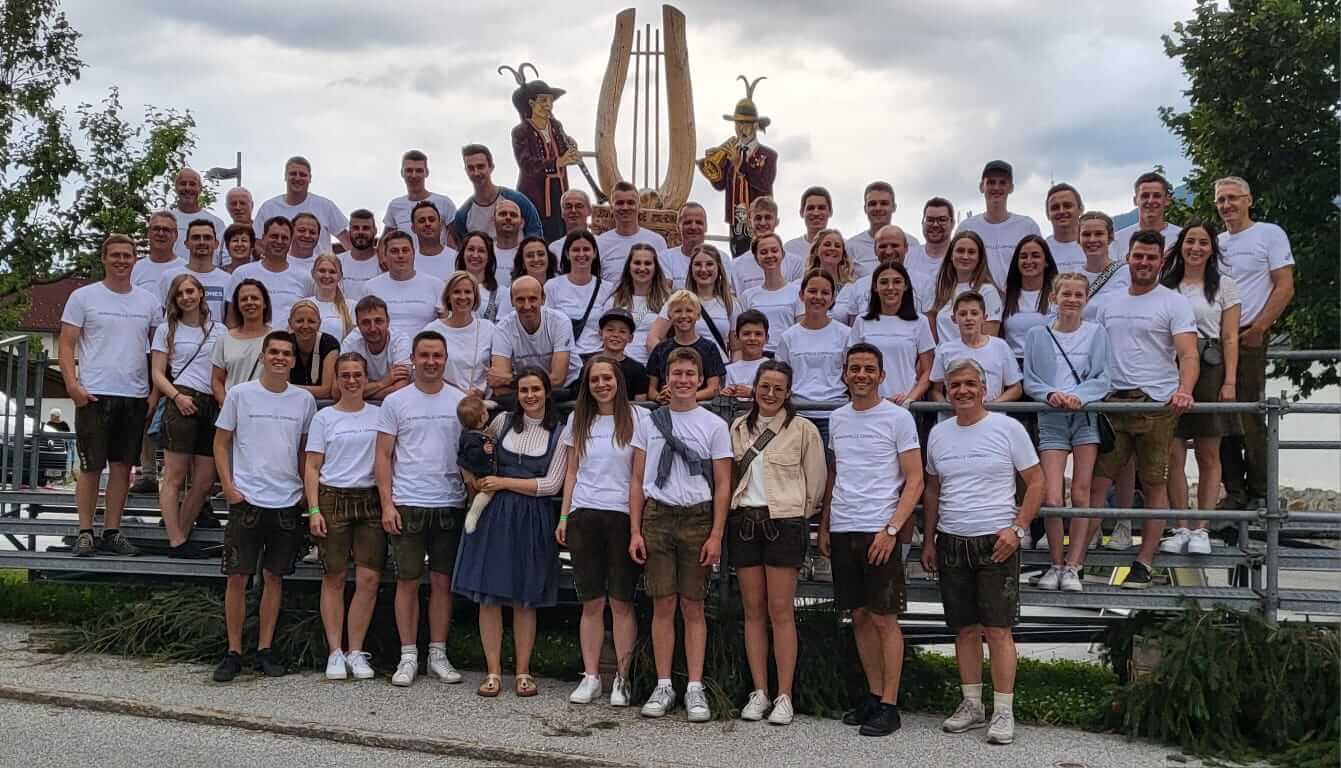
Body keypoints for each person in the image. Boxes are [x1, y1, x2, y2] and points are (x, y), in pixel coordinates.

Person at [921, 357, 1043, 746]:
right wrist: (928, 540)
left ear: (984, 387)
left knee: (999, 630)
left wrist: (1018, 528)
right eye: (955, 385)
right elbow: (933, 490)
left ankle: (1003, 710)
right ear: (946, 390)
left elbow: (1036, 483)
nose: (962, 391)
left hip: (997, 540)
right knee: (964, 628)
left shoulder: (1008, 428)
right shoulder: (939, 434)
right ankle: (971, 704)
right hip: (951, 538)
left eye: (970, 384)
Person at [819, 344, 923, 736]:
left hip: (881, 528)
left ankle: (891, 704)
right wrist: (826, 523)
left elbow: (915, 480)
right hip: (845, 526)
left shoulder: (898, 419)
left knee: (884, 618)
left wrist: (892, 529)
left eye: (869, 369)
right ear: (844, 374)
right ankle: (873, 696)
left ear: (882, 375)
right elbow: (835, 474)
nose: (861, 375)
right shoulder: (838, 417)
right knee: (859, 615)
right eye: (854, 368)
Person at [1090, 230, 1199, 589]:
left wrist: (1185, 390)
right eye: (1138, 256)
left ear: (1161, 261)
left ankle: (1145, 560)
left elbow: (1187, 353)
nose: (1144, 262)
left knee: (1155, 481)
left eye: (1151, 257)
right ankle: (1079, 557)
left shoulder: (1174, 303)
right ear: (1128, 258)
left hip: (1156, 402)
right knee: (1097, 481)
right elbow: (1089, 348)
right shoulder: (1108, 304)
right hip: (1113, 401)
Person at [630, 348, 733, 722]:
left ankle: (694, 686)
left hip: (696, 518)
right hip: (658, 516)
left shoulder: (714, 425)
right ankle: (662, 683)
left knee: (693, 605)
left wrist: (716, 534)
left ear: (701, 378)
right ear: (667, 378)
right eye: (677, 374)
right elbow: (638, 479)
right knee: (662, 604)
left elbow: (723, 483)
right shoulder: (649, 422)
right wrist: (635, 530)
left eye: (690, 374)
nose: (683, 380)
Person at [453, 366, 569, 698]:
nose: (529, 396)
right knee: (488, 598)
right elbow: (472, 453)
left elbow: (551, 485)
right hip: (494, 516)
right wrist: (472, 481)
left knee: (524, 598)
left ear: (546, 392)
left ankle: (523, 671)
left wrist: (504, 482)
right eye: (523, 390)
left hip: (532, 518)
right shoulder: (501, 422)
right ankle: (492, 671)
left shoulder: (558, 433)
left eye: (535, 389)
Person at [212, 330, 318, 682]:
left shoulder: (303, 400)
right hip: (248, 498)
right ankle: (233, 651)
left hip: (286, 500)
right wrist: (228, 486)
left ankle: (265, 649)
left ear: (292, 360)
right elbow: (221, 441)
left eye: (286, 353)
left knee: (274, 578)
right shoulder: (240, 395)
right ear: (262, 356)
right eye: (273, 352)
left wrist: (305, 487)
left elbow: (305, 450)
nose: (279, 358)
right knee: (238, 577)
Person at [730, 360, 827, 726]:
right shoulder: (738, 427)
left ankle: (785, 694)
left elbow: (816, 483)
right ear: (754, 387)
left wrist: (794, 515)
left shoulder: (803, 430)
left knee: (781, 610)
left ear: (788, 393)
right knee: (752, 610)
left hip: (784, 522)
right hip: (744, 521)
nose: (769, 394)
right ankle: (760, 691)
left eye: (777, 388)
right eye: (764, 386)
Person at [59, 235, 160, 557]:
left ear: (135, 260)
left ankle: (112, 530)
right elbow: (65, 344)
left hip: (134, 394)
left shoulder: (148, 301)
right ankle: (85, 531)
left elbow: (158, 351)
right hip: (95, 394)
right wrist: (73, 386)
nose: (121, 261)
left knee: (122, 468)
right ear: (103, 258)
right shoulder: (83, 297)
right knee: (90, 467)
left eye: (127, 256)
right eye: (115, 255)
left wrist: (155, 392)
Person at [376, 331, 467, 688]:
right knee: (407, 582)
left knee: (443, 583)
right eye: (424, 355)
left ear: (446, 359)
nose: (431, 361)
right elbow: (383, 457)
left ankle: (438, 653)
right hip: (408, 502)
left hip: (449, 502)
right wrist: (387, 503)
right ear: (413, 358)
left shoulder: (460, 401)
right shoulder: (396, 402)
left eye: (437, 355)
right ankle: (408, 654)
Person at [559, 356, 647, 706]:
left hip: (622, 517)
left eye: (607, 378)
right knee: (591, 602)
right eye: (594, 380)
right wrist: (564, 518)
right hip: (584, 515)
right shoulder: (578, 419)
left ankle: (623, 679)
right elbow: (570, 473)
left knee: (621, 602)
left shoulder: (639, 418)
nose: (601, 385)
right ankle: (592, 676)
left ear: (618, 381)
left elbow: (638, 479)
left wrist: (637, 529)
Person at [1022, 273, 1110, 590]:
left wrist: (1080, 396)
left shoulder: (1097, 332)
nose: (1071, 300)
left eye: (1078, 295)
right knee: (1053, 495)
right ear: (1054, 298)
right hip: (1051, 414)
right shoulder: (1037, 334)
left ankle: (1074, 565)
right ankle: (1055, 564)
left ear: (1086, 299)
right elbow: (1030, 378)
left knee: (1082, 492)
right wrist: (1049, 394)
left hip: (1084, 414)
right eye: (1066, 294)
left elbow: (1103, 377)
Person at [1160, 221, 1240, 554]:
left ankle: (1202, 528)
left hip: (1210, 366)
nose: (1195, 247)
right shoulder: (1165, 286)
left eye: (1203, 242)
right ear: (1180, 246)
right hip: (1169, 366)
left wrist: (1230, 381)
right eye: (1190, 241)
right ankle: (1179, 525)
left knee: (1209, 453)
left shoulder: (1225, 286)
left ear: (1212, 248)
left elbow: (1230, 336)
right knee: (1172, 452)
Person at [1215, 176, 1294, 511]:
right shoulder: (1216, 242)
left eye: (1233, 198)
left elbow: (1284, 285)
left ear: (1249, 200)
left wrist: (1261, 327)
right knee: (1220, 417)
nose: (1227, 205)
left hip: (1248, 333)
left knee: (1249, 412)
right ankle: (1234, 491)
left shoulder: (1269, 233)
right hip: (1215, 336)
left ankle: (1260, 490)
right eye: (1220, 200)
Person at [303, 352, 383, 682]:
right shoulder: (324, 418)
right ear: (337, 380)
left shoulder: (380, 415)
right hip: (332, 496)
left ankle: (356, 651)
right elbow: (311, 466)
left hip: (370, 499)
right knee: (334, 577)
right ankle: (335, 651)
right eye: (345, 375)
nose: (351, 380)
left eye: (357, 374)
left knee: (368, 579)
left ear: (366, 378)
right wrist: (313, 509)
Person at [151, 273, 225, 558]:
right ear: (175, 299)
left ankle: (179, 533)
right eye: (181, 293)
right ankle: (177, 540)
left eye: (191, 291)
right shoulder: (167, 329)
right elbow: (157, 373)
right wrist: (177, 397)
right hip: (181, 396)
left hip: (211, 402)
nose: (187, 297)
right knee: (175, 476)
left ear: (201, 293)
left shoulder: (219, 329)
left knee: (205, 479)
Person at [697, 76, 778, 246]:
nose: (741, 128)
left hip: (759, 222)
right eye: (738, 123)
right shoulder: (730, 151)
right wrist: (712, 172)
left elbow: (763, 183)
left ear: (756, 125)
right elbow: (721, 186)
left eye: (746, 123)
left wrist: (740, 165)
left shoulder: (768, 156)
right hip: (736, 222)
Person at [777, 270, 849, 449]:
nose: (818, 297)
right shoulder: (788, 337)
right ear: (802, 295)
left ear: (833, 298)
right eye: (812, 291)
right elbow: (781, 378)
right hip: (798, 415)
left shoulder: (846, 334)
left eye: (825, 293)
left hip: (835, 413)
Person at [848, 262, 934, 405]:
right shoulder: (861, 321)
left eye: (897, 282)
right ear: (875, 287)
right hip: (869, 404)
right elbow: (851, 366)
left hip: (905, 406)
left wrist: (909, 399)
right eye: (884, 282)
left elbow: (927, 371)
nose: (890, 287)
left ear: (906, 286)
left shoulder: (920, 322)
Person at [507, 73, 577, 242]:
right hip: (535, 195)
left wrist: (571, 148)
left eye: (550, 101)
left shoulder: (555, 126)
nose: (549, 105)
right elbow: (526, 164)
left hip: (559, 192)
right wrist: (557, 162)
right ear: (531, 104)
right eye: (543, 101)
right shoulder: (521, 131)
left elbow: (564, 149)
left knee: (560, 235)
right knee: (536, 236)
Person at [954, 161, 1043, 287]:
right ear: (981, 186)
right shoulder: (967, 227)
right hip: (977, 301)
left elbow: (1040, 267)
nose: (996, 187)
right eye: (991, 182)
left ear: (1011, 187)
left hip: (1017, 302)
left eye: (1002, 182)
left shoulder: (1027, 226)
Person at [489, 276, 578, 398]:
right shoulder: (502, 328)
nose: (527, 306)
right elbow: (499, 387)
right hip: (528, 391)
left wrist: (510, 379)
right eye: (520, 299)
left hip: (566, 388)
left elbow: (558, 380)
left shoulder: (560, 321)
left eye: (532, 299)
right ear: (511, 301)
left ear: (543, 299)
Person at [647, 243, 737, 363]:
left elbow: (736, 348)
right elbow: (653, 339)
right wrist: (671, 363)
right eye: (698, 264)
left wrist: (734, 373)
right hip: (687, 374)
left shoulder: (730, 303)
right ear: (691, 269)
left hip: (720, 370)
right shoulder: (678, 300)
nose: (703, 269)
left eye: (709, 264)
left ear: (719, 268)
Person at [930, 292, 1022, 407]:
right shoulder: (944, 350)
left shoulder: (1000, 346)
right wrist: (949, 408)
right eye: (963, 314)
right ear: (954, 319)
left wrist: (990, 407)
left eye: (974, 313)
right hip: (956, 417)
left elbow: (1016, 388)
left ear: (984, 317)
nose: (969, 318)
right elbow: (936, 390)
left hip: (991, 418)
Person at [227, 216, 316, 326]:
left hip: (290, 342)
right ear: (263, 238)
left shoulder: (305, 277)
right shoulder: (242, 274)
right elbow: (231, 319)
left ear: (291, 241)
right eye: (274, 236)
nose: (279, 241)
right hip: (250, 341)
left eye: (284, 238)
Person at [448, 144, 542, 244]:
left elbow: (536, 240)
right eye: (471, 168)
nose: (476, 173)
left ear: (491, 167)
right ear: (466, 171)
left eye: (480, 166)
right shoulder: (463, 215)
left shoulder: (518, 201)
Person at [254, 156, 350, 252]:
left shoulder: (325, 206)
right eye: (293, 174)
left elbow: (347, 242)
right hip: (281, 266)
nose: (297, 178)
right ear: (285, 176)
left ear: (310, 178)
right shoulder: (268, 208)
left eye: (303, 175)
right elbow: (257, 243)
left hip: (319, 266)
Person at [645, 290, 726, 403]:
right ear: (669, 315)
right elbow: (651, 389)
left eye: (689, 311)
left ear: (697, 315)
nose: (683, 316)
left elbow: (713, 388)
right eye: (678, 311)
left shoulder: (709, 348)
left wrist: (685, 396)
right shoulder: (660, 349)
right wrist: (660, 397)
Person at [422, 272, 495, 396]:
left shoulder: (488, 328)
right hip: (444, 399)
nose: (462, 297)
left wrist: (482, 391)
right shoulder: (432, 330)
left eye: (467, 292)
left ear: (475, 296)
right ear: (448, 297)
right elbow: (423, 371)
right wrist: (460, 393)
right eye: (456, 292)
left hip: (480, 403)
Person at [547, 229, 615, 358]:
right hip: (564, 357)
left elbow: (612, 326)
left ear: (594, 253)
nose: (581, 254)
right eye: (576, 250)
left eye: (586, 249)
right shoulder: (552, 286)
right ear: (567, 254)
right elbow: (547, 326)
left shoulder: (607, 288)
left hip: (598, 356)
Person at [362, 231, 445, 338]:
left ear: (414, 254)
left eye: (405, 250)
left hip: (425, 351)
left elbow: (445, 324)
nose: (400, 255)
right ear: (385, 255)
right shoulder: (370, 287)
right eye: (394, 251)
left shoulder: (436, 285)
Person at [928, 231, 1003, 344]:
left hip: (972, 361)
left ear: (979, 258)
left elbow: (989, 343)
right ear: (951, 256)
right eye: (960, 251)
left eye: (971, 252)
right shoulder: (940, 289)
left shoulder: (988, 291)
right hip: (943, 358)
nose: (965, 256)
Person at [999, 235, 1060, 364]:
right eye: (1023, 256)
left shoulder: (1058, 297)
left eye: (1035, 255)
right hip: (1013, 367)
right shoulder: (1005, 297)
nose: (1029, 261)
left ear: (1046, 262)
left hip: (1047, 364)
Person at [608, 242, 672, 364]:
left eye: (648, 263)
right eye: (637, 263)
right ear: (629, 267)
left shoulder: (667, 302)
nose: (642, 268)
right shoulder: (614, 301)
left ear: (655, 268)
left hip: (652, 368)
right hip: (618, 366)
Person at [158, 218, 231, 322]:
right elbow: (160, 318)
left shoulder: (227, 280)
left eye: (207, 238)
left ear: (216, 244)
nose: (202, 242)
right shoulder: (169, 277)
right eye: (196, 238)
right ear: (186, 244)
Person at [211, 280, 272, 402]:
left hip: (267, 407)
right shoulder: (224, 339)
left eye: (255, 298)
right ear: (237, 306)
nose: (249, 302)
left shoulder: (277, 337)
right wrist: (226, 407)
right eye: (244, 299)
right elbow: (217, 380)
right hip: (234, 408)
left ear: (265, 303)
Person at [595, 182, 669, 282]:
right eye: (620, 203)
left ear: (639, 207)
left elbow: (664, 281)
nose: (625, 207)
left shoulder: (657, 241)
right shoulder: (600, 243)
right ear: (611, 208)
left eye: (631, 203)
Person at [341, 295, 412, 398]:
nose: (373, 328)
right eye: (366, 323)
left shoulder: (400, 341)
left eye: (378, 321)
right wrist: (382, 383)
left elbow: (399, 390)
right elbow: (339, 390)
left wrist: (358, 393)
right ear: (358, 325)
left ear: (388, 322)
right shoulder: (351, 342)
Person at [383, 149, 458, 247]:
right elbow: (384, 241)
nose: (414, 175)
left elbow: (458, 238)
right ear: (402, 172)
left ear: (426, 173)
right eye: (409, 170)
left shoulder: (444, 203)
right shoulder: (395, 206)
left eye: (419, 170)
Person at [739, 233, 799, 354]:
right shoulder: (748, 296)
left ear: (782, 254)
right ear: (756, 258)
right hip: (758, 357)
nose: (770, 255)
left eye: (774, 250)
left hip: (787, 357)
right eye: (764, 252)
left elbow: (801, 332)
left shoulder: (797, 292)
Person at [731, 197, 803, 294]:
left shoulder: (795, 264)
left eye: (768, 217)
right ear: (749, 222)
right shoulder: (735, 266)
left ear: (777, 222)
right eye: (758, 218)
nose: (763, 223)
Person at [846, 182, 918, 277]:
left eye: (884, 203)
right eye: (872, 204)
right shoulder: (851, 246)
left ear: (894, 207)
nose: (878, 208)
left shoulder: (912, 243)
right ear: (865, 208)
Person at [1112, 171, 1181, 259]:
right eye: (1145, 196)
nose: (1150, 201)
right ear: (1135, 200)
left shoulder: (1180, 238)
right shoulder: (1118, 240)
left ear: (1167, 200)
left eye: (1156, 196)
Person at [1077, 211, 1131, 322]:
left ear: (1110, 238)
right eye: (1086, 234)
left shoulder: (1127, 273)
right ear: (1078, 239)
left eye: (1099, 234)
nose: (1092, 240)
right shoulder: (1073, 278)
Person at [801, 229, 862, 323]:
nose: (832, 248)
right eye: (827, 244)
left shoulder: (853, 288)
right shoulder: (801, 286)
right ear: (817, 250)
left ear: (843, 255)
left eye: (837, 246)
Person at [456, 395, 496, 533]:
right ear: (484, 416)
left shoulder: (472, 431)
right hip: (480, 473)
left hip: (481, 470)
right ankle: (473, 513)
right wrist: (482, 451)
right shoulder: (471, 438)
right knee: (486, 493)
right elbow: (471, 454)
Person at [590, 308, 650, 400]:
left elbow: (640, 402)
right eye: (610, 330)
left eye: (622, 331)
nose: (616, 335)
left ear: (630, 338)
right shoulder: (589, 366)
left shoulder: (638, 369)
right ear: (600, 333)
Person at [169, 168, 226, 262]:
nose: (187, 188)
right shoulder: (167, 221)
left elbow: (220, 258)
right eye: (183, 184)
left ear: (200, 189)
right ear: (175, 187)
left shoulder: (216, 223)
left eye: (192, 184)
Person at [285, 299, 339, 400]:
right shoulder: (285, 343)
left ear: (319, 323)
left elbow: (327, 391)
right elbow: (281, 388)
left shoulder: (329, 343)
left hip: (323, 404)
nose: (305, 326)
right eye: (299, 321)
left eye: (311, 321)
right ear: (290, 323)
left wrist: (289, 388)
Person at [904, 197, 954, 303]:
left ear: (952, 223)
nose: (935, 225)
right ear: (922, 222)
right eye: (930, 220)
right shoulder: (907, 255)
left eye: (942, 220)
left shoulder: (962, 257)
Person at [455, 230, 510, 322]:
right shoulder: (449, 288)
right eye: (471, 249)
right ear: (463, 253)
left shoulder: (501, 293)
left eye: (481, 251)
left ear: (489, 257)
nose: (475, 255)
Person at [661, 203, 716, 289]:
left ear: (706, 227)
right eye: (688, 222)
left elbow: (724, 294)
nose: (693, 227)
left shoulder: (722, 258)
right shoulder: (665, 258)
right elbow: (665, 293)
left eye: (699, 222)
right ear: (678, 227)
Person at [133, 210, 184, 296]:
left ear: (175, 235)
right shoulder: (135, 269)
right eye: (156, 229)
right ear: (148, 233)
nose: (161, 233)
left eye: (166, 230)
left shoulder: (186, 270)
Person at [721, 310, 769, 399]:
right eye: (746, 334)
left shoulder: (773, 368)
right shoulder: (728, 370)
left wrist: (753, 393)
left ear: (766, 338)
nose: (752, 338)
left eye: (758, 334)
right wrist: (724, 395)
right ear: (737, 337)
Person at [310, 253, 355, 341]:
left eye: (332, 272)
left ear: (340, 276)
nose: (327, 276)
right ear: (313, 274)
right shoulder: (305, 305)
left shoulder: (352, 306)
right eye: (322, 271)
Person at [1044, 183, 1087, 273]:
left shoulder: (1098, 246)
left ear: (1081, 209)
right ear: (1047, 214)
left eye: (1067, 206)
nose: (1061, 211)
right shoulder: (1042, 251)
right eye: (1055, 208)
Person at [340, 210, 384, 299]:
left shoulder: (385, 263)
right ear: (349, 232)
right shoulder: (337, 262)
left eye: (366, 228)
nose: (360, 232)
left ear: (375, 231)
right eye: (356, 228)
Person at [410, 201, 459, 281]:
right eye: (422, 221)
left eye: (432, 220)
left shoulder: (457, 259)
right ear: (413, 228)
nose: (427, 224)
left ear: (440, 226)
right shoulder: (408, 261)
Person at [783, 187, 833, 264]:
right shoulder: (789, 249)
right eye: (810, 208)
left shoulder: (843, 248)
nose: (816, 213)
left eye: (821, 208)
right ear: (801, 212)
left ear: (830, 212)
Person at [548, 189, 592, 258]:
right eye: (568, 206)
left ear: (589, 211)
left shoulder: (600, 243)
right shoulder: (554, 249)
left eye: (579, 206)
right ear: (562, 213)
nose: (573, 210)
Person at [492, 198, 525, 286]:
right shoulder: (485, 252)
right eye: (502, 214)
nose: (508, 217)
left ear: (522, 223)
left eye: (513, 215)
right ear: (493, 221)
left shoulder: (527, 254)